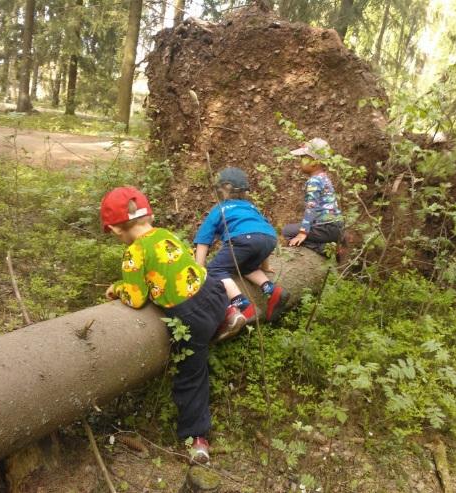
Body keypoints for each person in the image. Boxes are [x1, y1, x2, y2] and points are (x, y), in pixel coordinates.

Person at [101, 186, 232, 464]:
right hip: (215, 294)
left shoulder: (134, 252)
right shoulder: (166, 234)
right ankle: (230, 313)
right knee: (213, 287)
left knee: (191, 376)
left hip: (190, 317)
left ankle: (197, 439)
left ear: (114, 229)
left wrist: (118, 288)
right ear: (149, 215)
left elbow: (137, 298)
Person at [194, 167, 289, 330]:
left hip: (244, 239)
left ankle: (243, 305)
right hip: (269, 238)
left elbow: (203, 241)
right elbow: (261, 231)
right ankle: (271, 290)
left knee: (216, 270)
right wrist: (265, 266)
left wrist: (199, 270)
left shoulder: (220, 209)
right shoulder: (250, 207)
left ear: (223, 189)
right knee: (247, 266)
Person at [283, 138, 344, 256]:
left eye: (303, 158)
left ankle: (325, 250)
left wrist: (303, 232)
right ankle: (330, 246)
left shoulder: (314, 181)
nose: (300, 161)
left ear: (315, 161)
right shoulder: (324, 177)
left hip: (326, 228)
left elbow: (311, 208)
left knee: (288, 231)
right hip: (336, 227)